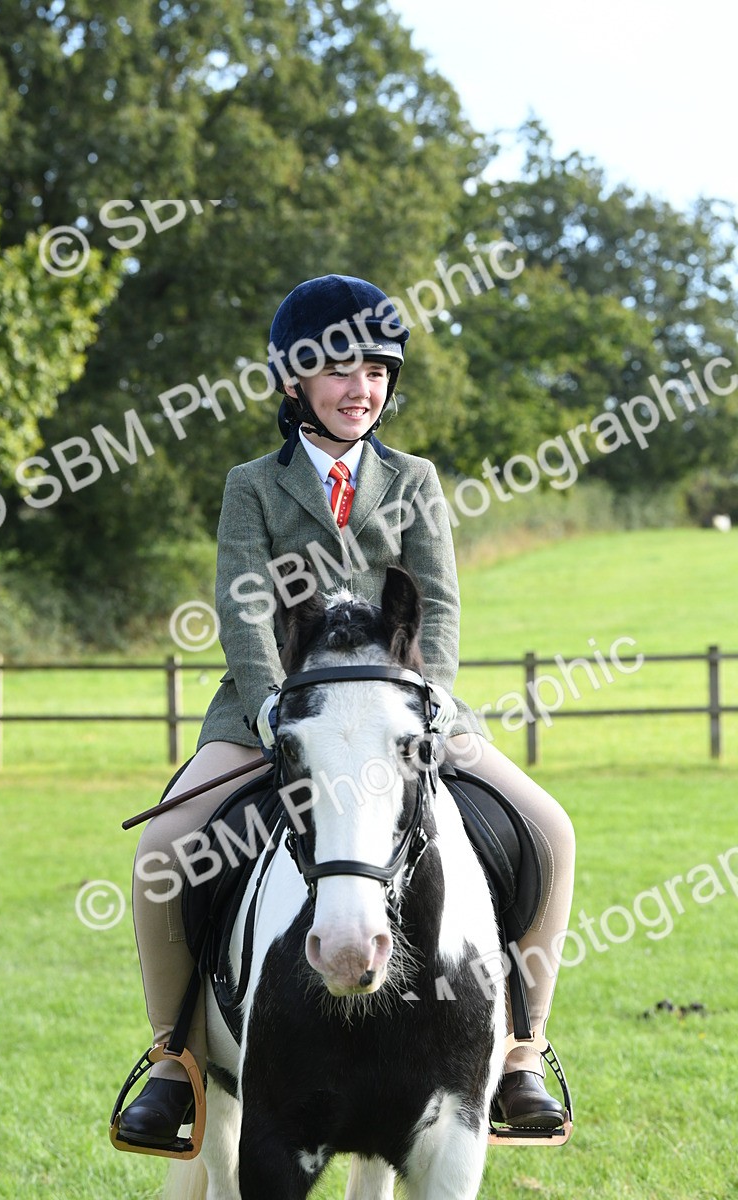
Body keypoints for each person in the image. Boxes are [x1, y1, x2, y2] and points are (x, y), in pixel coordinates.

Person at [118, 274, 576, 1148]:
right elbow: (245, 610)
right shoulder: (253, 485)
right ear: (293, 383)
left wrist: (431, 701)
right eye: (337, 370)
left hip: (405, 708)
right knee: (162, 853)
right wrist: (266, 713)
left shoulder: (415, 479)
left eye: (375, 370)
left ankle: (521, 1049)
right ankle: (173, 1058)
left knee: (552, 831)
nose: (359, 387)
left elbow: (435, 608)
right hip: (279, 713)